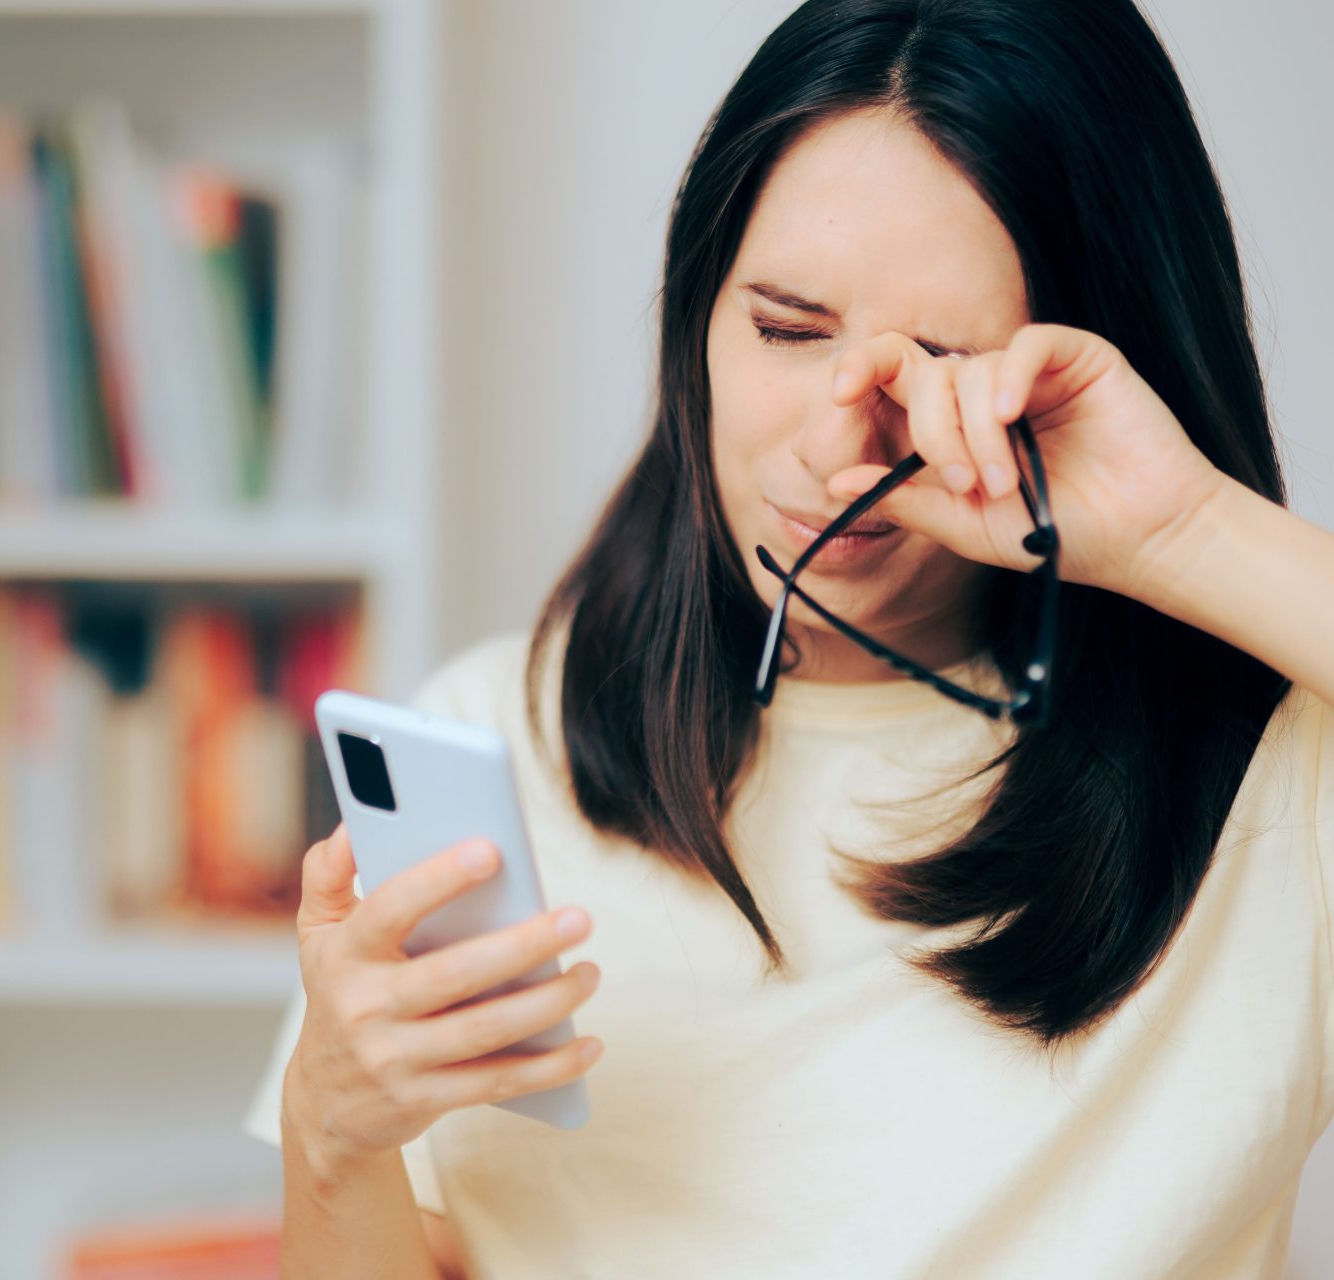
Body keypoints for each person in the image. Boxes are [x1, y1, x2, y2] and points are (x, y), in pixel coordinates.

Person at [242, 0, 1334, 1275]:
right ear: (693, 318)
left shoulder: (1276, 773)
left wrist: (1185, 527)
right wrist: (333, 1131)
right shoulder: (491, 743)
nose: (838, 447)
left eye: (944, 361)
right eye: (784, 328)